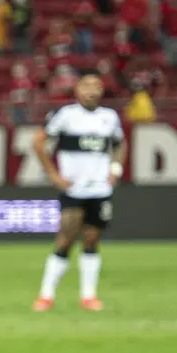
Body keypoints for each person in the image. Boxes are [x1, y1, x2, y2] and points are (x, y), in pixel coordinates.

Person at [34, 75, 125, 312]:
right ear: (77, 90)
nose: (92, 91)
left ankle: (88, 296)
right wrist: (53, 175)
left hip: (100, 189)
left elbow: (119, 144)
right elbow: (38, 142)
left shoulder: (109, 117)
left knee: (92, 239)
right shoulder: (65, 115)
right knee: (65, 239)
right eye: (87, 86)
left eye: (97, 86)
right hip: (74, 189)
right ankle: (46, 295)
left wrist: (115, 169)